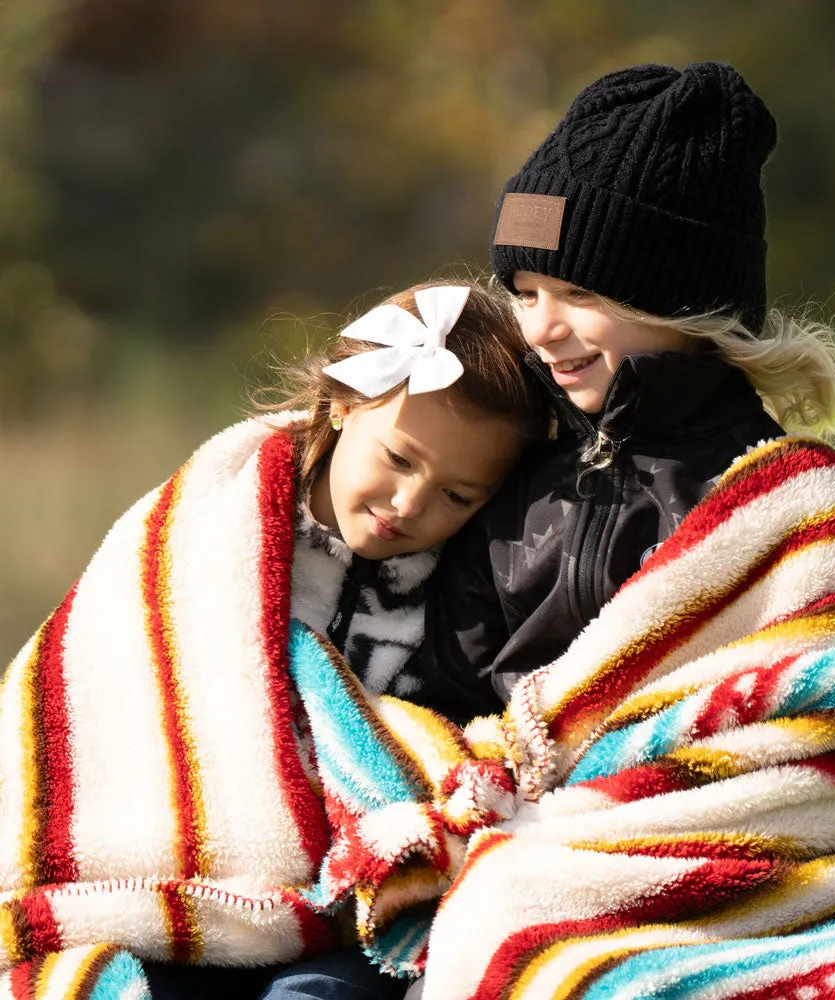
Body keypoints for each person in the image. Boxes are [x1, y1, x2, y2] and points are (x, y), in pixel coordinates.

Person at [0, 279, 547, 999]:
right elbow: (115, 664)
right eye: (400, 459)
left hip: (341, 899)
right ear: (346, 403)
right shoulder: (215, 518)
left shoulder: (460, 588)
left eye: (457, 496)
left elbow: (445, 732)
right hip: (168, 874)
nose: (408, 504)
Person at [417, 61, 835, 722]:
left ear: (681, 302)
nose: (542, 328)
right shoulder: (504, 468)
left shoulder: (774, 496)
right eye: (525, 294)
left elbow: (832, 703)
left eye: (580, 293)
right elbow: (439, 690)